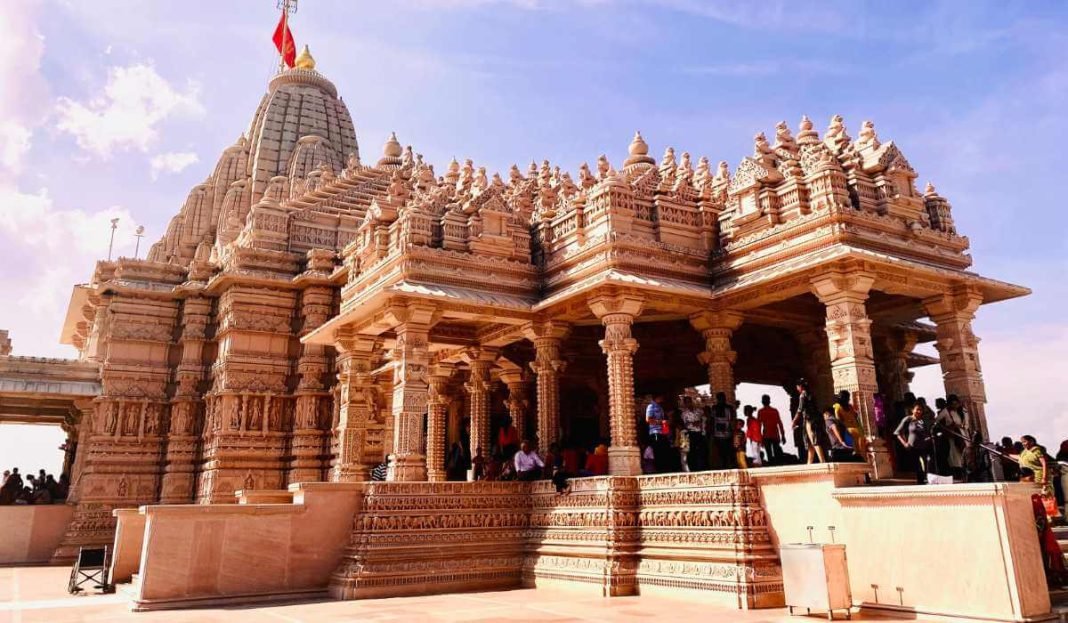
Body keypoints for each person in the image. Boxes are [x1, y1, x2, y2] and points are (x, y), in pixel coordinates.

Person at [895, 403, 933, 484]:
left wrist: (928, 438)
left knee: (926, 462)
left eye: (921, 410)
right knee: (918, 464)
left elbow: (926, 432)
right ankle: (921, 481)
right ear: (912, 410)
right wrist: (905, 443)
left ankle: (925, 479)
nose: (919, 411)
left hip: (923, 446)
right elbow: (897, 433)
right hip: (913, 447)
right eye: (917, 409)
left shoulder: (922, 421)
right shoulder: (908, 419)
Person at [792, 380, 827, 464]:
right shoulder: (811, 394)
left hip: (809, 420)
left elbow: (800, 409)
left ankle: (823, 461)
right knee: (810, 443)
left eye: (797, 386)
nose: (797, 388)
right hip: (815, 419)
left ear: (800, 386)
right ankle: (809, 463)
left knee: (814, 441)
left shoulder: (803, 395)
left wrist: (794, 421)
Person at [935, 395, 967, 479]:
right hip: (952, 436)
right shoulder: (946, 411)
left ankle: (964, 472)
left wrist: (961, 426)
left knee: (963, 453)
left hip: (962, 435)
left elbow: (966, 425)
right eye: (953, 404)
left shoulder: (963, 411)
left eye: (956, 404)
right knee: (954, 456)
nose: (955, 406)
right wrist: (947, 427)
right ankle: (957, 474)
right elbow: (936, 421)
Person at [834, 391, 866, 456]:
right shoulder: (838, 408)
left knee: (860, 442)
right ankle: (859, 454)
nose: (849, 399)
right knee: (858, 442)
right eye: (848, 398)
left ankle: (860, 454)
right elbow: (839, 420)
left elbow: (855, 415)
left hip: (855, 428)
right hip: (849, 429)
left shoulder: (849, 406)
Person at [680, 397, 707, 472]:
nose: (688, 403)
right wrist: (693, 423)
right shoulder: (684, 413)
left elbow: (704, 419)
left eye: (689, 401)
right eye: (687, 402)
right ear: (685, 404)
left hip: (700, 433)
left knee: (701, 451)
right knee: (692, 451)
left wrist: (700, 422)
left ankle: (701, 468)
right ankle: (693, 468)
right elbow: (685, 424)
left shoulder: (699, 411)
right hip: (691, 433)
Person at [710, 392, 736, 469]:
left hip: (726, 433)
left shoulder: (728, 407)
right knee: (722, 452)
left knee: (727, 451)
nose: (721, 400)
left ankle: (728, 466)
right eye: (720, 398)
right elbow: (712, 420)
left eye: (722, 398)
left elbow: (732, 419)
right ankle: (725, 466)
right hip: (719, 434)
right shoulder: (715, 408)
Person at [757, 395, 785, 465]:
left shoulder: (761, 411)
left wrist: (760, 439)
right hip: (774, 435)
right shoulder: (774, 411)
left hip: (766, 435)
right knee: (776, 453)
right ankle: (776, 465)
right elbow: (780, 423)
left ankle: (772, 465)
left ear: (762, 402)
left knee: (769, 454)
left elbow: (759, 427)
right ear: (769, 401)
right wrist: (783, 435)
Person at [646, 395, 670, 473]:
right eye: (661, 397)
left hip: (662, 431)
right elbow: (648, 419)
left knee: (664, 449)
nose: (662, 399)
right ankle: (659, 469)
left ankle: (664, 468)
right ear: (656, 397)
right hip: (655, 431)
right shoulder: (651, 406)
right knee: (657, 450)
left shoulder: (660, 407)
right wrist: (660, 422)